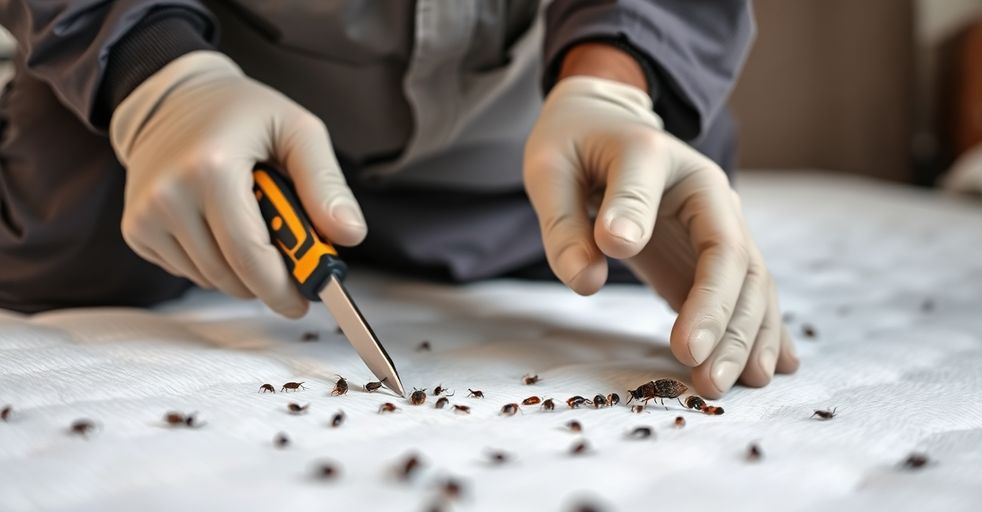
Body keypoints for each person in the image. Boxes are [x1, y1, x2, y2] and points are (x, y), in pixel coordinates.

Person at [0, 1, 798, 398]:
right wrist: (158, 77)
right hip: (212, 90)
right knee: (63, 244)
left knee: (627, 237)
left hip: (539, 130)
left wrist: (619, 84)